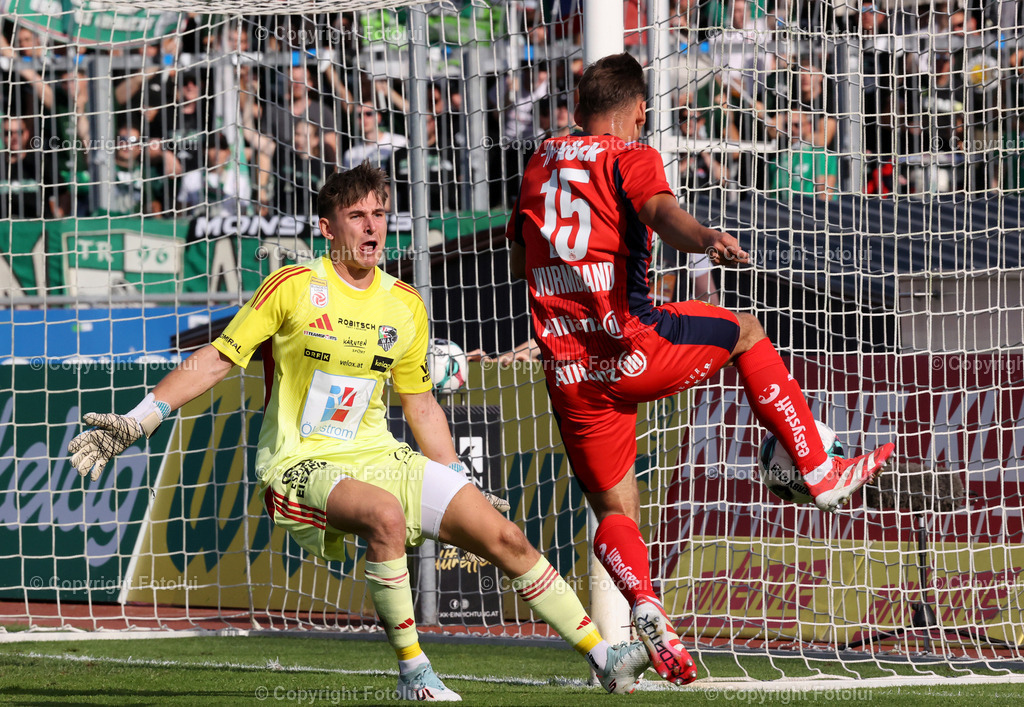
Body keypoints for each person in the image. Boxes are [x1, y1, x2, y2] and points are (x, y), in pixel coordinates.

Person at [67, 163, 653, 700]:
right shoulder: (293, 287)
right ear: (328, 228)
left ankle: (604, 658)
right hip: (299, 462)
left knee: (507, 538)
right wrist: (137, 419)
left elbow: (420, 406)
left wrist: (454, 475)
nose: (371, 229)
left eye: (379, 215)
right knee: (385, 518)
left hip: (379, 453)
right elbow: (219, 358)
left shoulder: (404, 305)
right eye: (357, 217)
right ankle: (414, 672)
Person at [505, 53, 895, 686]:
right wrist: (704, 236)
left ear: (578, 110)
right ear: (639, 110)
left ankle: (647, 617)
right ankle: (819, 471)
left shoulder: (540, 159)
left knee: (617, 514)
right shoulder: (627, 155)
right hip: (631, 345)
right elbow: (661, 211)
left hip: (570, 373)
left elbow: (520, 243)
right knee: (742, 330)